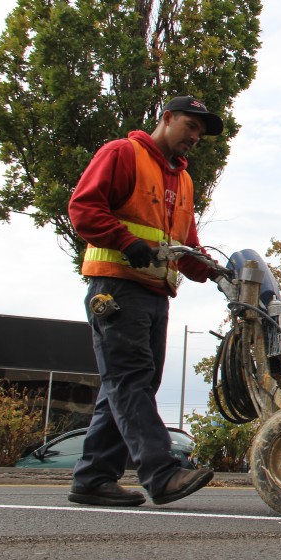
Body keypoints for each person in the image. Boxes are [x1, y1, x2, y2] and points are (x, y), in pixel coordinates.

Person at [67, 95, 227, 506]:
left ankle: (93, 478)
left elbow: (185, 246)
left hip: (156, 293)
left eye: (200, 132)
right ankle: (162, 471)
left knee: (131, 383)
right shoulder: (123, 154)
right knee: (130, 378)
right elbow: (83, 208)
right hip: (116, 286)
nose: (195, 136)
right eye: (190, 126)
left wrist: (215, 272)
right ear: (167, 117)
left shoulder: (184, 181)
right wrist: (125, 241)